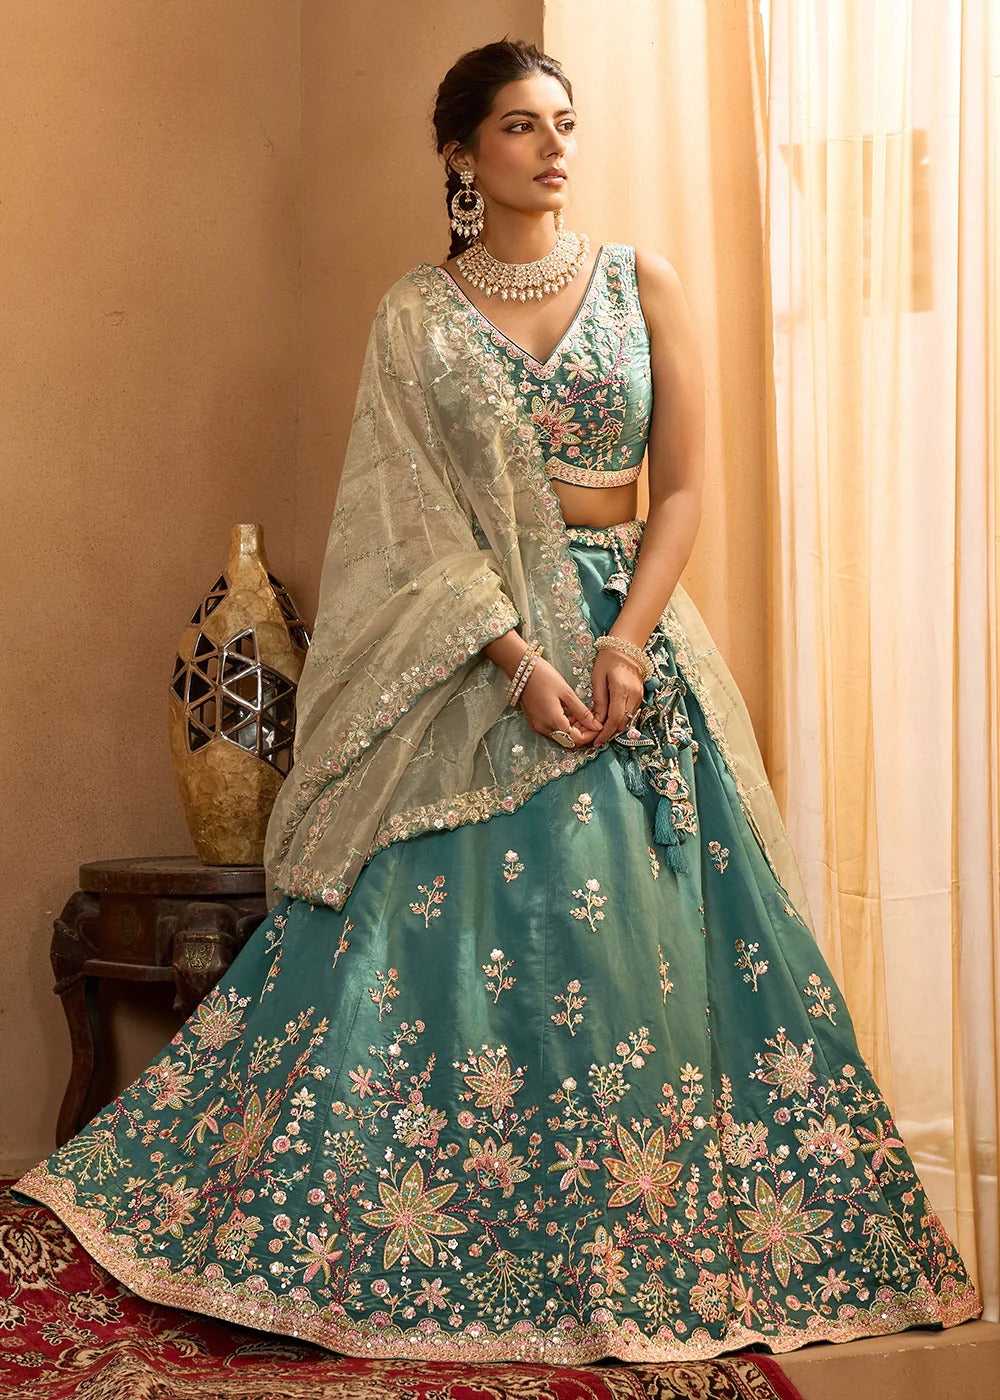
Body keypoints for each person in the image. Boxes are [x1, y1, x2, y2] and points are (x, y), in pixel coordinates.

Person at [14, 38, 982, 1365]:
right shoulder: (418, 314)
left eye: (564, 123)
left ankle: (655, 1248)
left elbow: (685, 486)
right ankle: (436, 1252)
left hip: (633, 648)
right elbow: (410, 524)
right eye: (522, 126)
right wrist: (519, 660)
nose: (555, 146)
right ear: (463, 155)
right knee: (438, 961)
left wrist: (627, 648)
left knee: (664, 959)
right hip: (479, 656)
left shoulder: (646, 283)